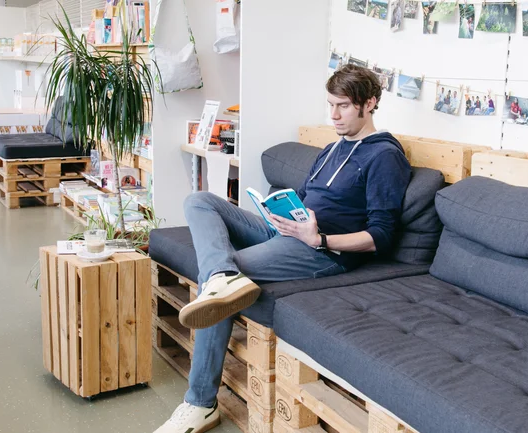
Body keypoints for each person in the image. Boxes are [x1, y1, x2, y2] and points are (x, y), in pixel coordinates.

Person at [152, 64, 412, 433]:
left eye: (343, 107)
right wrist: (279, 216)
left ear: (369, 103)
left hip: (323, 252)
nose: (334, 115)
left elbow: (381, 235)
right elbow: (308, 200)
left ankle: (200, 404)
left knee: (228, 276)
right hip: (291, 231)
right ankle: (221, 276)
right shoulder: (332, 148)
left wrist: (318, 239)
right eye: (330, 105)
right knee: (200, 201)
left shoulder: (384, 156)